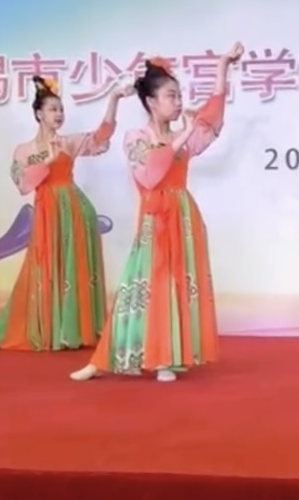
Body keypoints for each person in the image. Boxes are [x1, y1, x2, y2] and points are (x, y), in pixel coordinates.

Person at [70, 42, 244, 383]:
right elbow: (150, 173)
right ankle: (104, 359)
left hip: (183, 216)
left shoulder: (183, 135)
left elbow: (212, 115)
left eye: (179, 96)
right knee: (139, 286)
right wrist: (184, 134)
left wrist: (223, 65)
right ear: (151, 102)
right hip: (154, 219)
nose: (178, 102)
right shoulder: (137, 137)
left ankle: (167, 357)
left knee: (175, 284)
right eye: (170, 96)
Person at [0, 76, 132, 352]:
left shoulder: (68, 143)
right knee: (42, 267)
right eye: (53, 109)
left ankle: (73, 331)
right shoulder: (24, 151)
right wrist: (47, 162)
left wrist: (114, 99)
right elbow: (23, 184)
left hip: (75, 211)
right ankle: (29, 330)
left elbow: (101, 136)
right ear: (39, 114)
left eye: (61, 109)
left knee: (74, 268)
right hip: (47, 212)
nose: (59, 114)